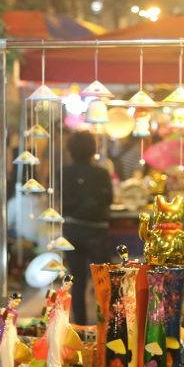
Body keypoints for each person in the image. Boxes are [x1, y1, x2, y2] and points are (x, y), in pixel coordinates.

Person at [61, 131, 113, 326]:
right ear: (93, 150)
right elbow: (109, 200)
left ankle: (80, 325)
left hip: (73, 229)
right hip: (97, 231)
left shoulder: (64, 173)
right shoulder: (101, 173)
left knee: (78, 279)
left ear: (71, 150)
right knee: (103, 279)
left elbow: (63, 202)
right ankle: (107, 322)